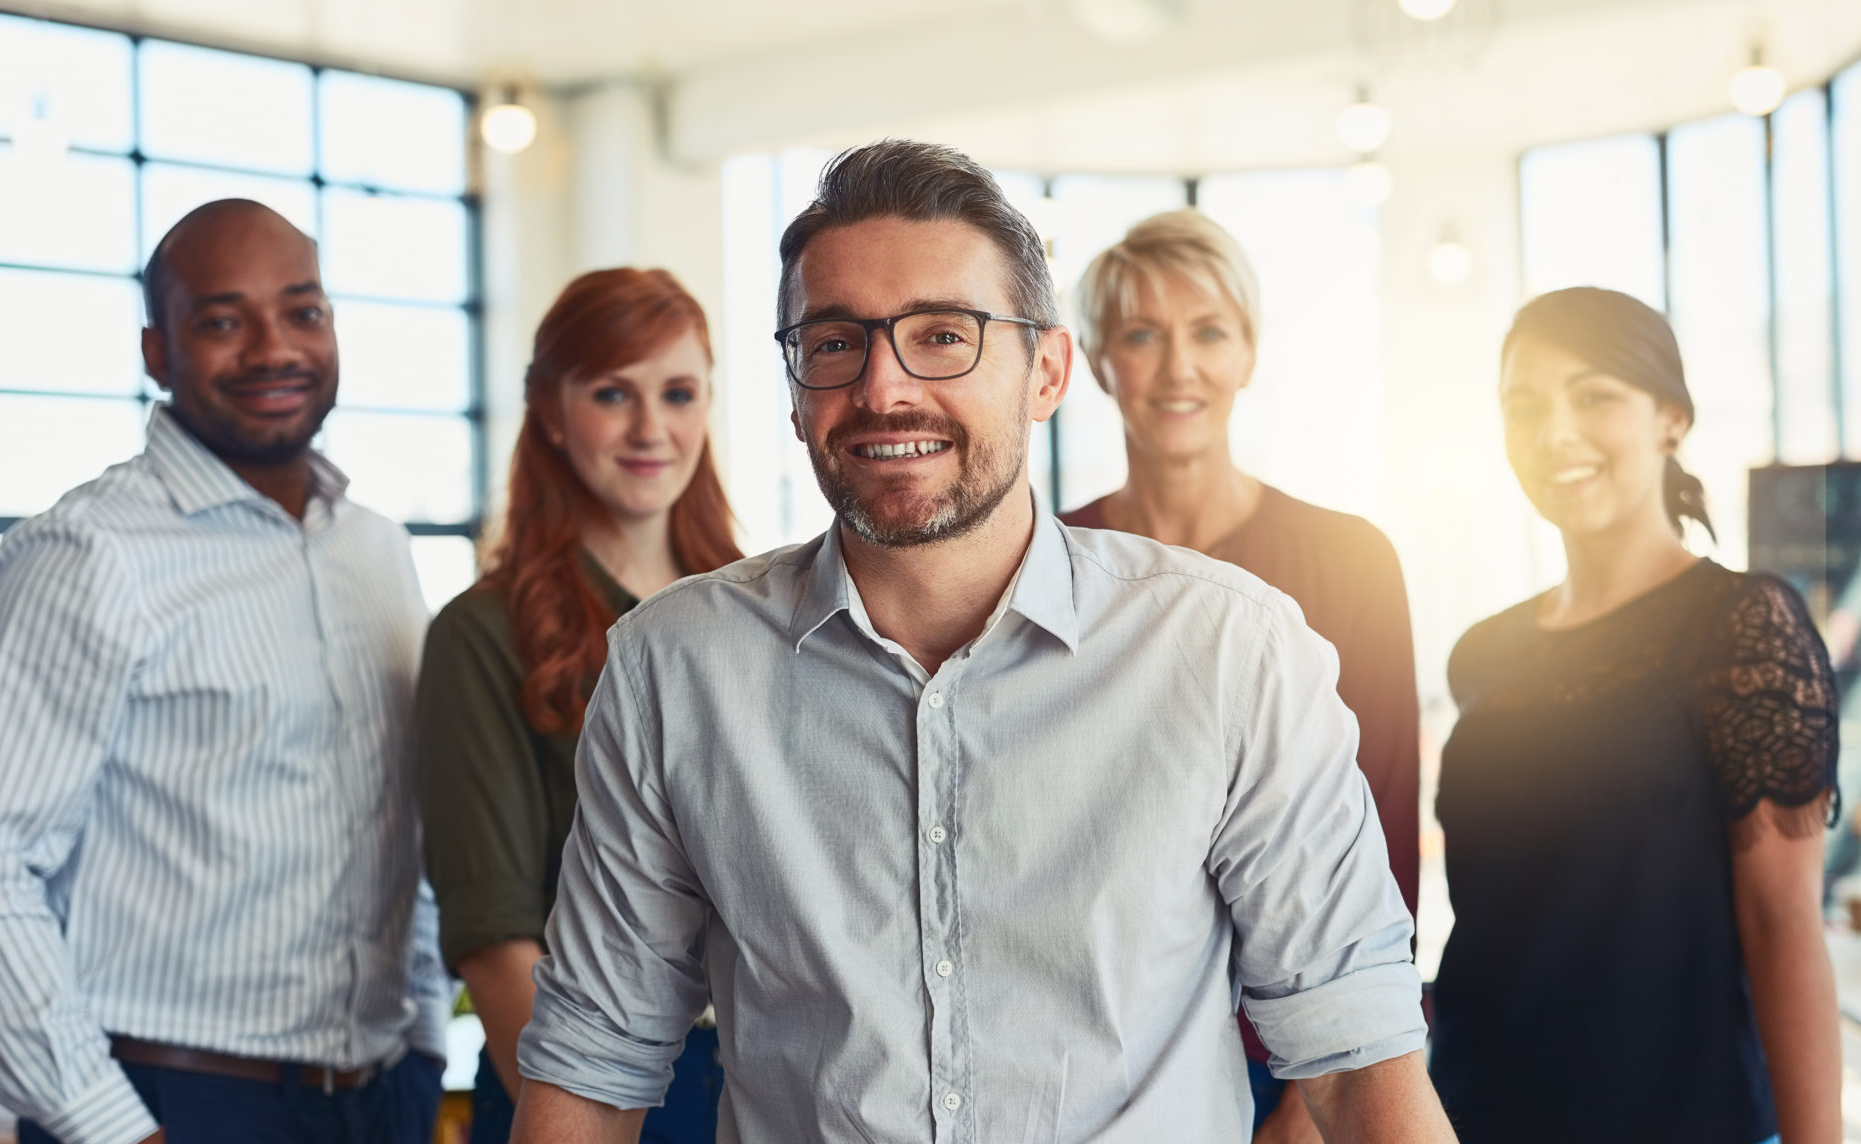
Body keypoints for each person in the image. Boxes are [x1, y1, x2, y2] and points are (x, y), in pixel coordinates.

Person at [507, 139, 1455, 1142]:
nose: (883, 388)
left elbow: (1360, 1058)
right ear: (794, 389)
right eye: (835, 343)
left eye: (943, 335)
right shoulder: (672, 667)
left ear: (1046, 371)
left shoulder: (1231, 649)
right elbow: (592, 1061)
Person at [0, 200, 449, 1144]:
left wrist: (422, 1039)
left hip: (380, 1095)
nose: (273, 349)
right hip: (171, 1100)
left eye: (302, 311)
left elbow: (396, 819)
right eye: (222, 321)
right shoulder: (85, 555)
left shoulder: (378, 550)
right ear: (157, 352)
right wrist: (110, 1127)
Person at [1431, 287, 1841, 1143]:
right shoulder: (1484, 652)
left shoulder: (1744, 626)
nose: (1556, 433)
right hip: (1473, 1116)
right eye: (1526, 407)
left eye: (1594, 396)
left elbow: (1782, 924)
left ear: (1670, 419)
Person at [1059, 209, 1420, 1142]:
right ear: (1096, 361)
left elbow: (1383, 835)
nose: (1179, 367)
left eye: (1210, 333)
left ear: (1249, 353)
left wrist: (1310, 1101)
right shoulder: (1050, 569)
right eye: (1143, 336)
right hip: (1108, 1069)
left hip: (1300, 1064)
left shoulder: (1352, 561)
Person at [417, 268, 741, 1144]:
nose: (650, 428)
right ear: (551, 412)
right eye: (611, 393)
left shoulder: (757, 612)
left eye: (678, 394)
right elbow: (496, 943)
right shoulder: (481, 634)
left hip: (764, 1075)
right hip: (595, 1086)